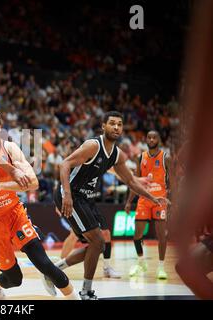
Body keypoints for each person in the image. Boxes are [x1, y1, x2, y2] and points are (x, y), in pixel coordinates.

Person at [0, 107, 79, 300]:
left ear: (0, 126)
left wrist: (0, 185)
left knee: (44, 263)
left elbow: (33, 182)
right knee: (14, 277)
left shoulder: (10, 149)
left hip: (14, 213)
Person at [42, 111, 169, 299]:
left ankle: (52, 271)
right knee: (98, 241)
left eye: (119, 124)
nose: (116, 127)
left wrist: (153, 198)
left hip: (86, 199)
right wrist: (67, 195)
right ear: (104, 126)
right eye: (112, 123)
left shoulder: (117, 155)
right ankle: (86, 291)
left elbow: (130, 182)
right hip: (70, 195)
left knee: (98, 245)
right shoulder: (93, 146)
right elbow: (65, 164)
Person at [125, 131, 171, 279]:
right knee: (137, 235)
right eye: (149, 137)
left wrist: (173, 199)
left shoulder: (166, 157)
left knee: (161, 235)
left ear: (159, 139)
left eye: (154, 137)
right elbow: (135, 181)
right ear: (146, 140)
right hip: (144, 200)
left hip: (160, 200)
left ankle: (161, 268)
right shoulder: (141, 157)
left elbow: (173, 181)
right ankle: (141, 263)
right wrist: (128, 201)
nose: (151, 139)